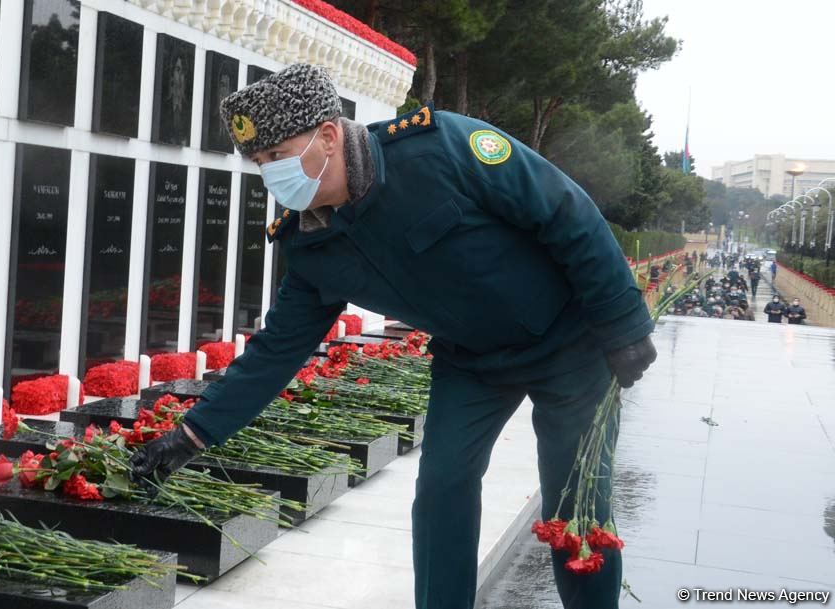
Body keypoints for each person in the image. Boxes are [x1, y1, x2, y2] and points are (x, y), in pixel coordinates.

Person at [127, 65, 657, 609]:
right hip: (472, 362)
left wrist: (624, 324)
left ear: (328, 136)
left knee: (576, 504)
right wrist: (190, 436)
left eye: (278, 156)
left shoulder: (442, 147)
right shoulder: (310, 241)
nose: (270, 176)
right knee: (440, 492)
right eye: (260, 164)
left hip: (568, 343)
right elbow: (276, 349)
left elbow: (566, 211)